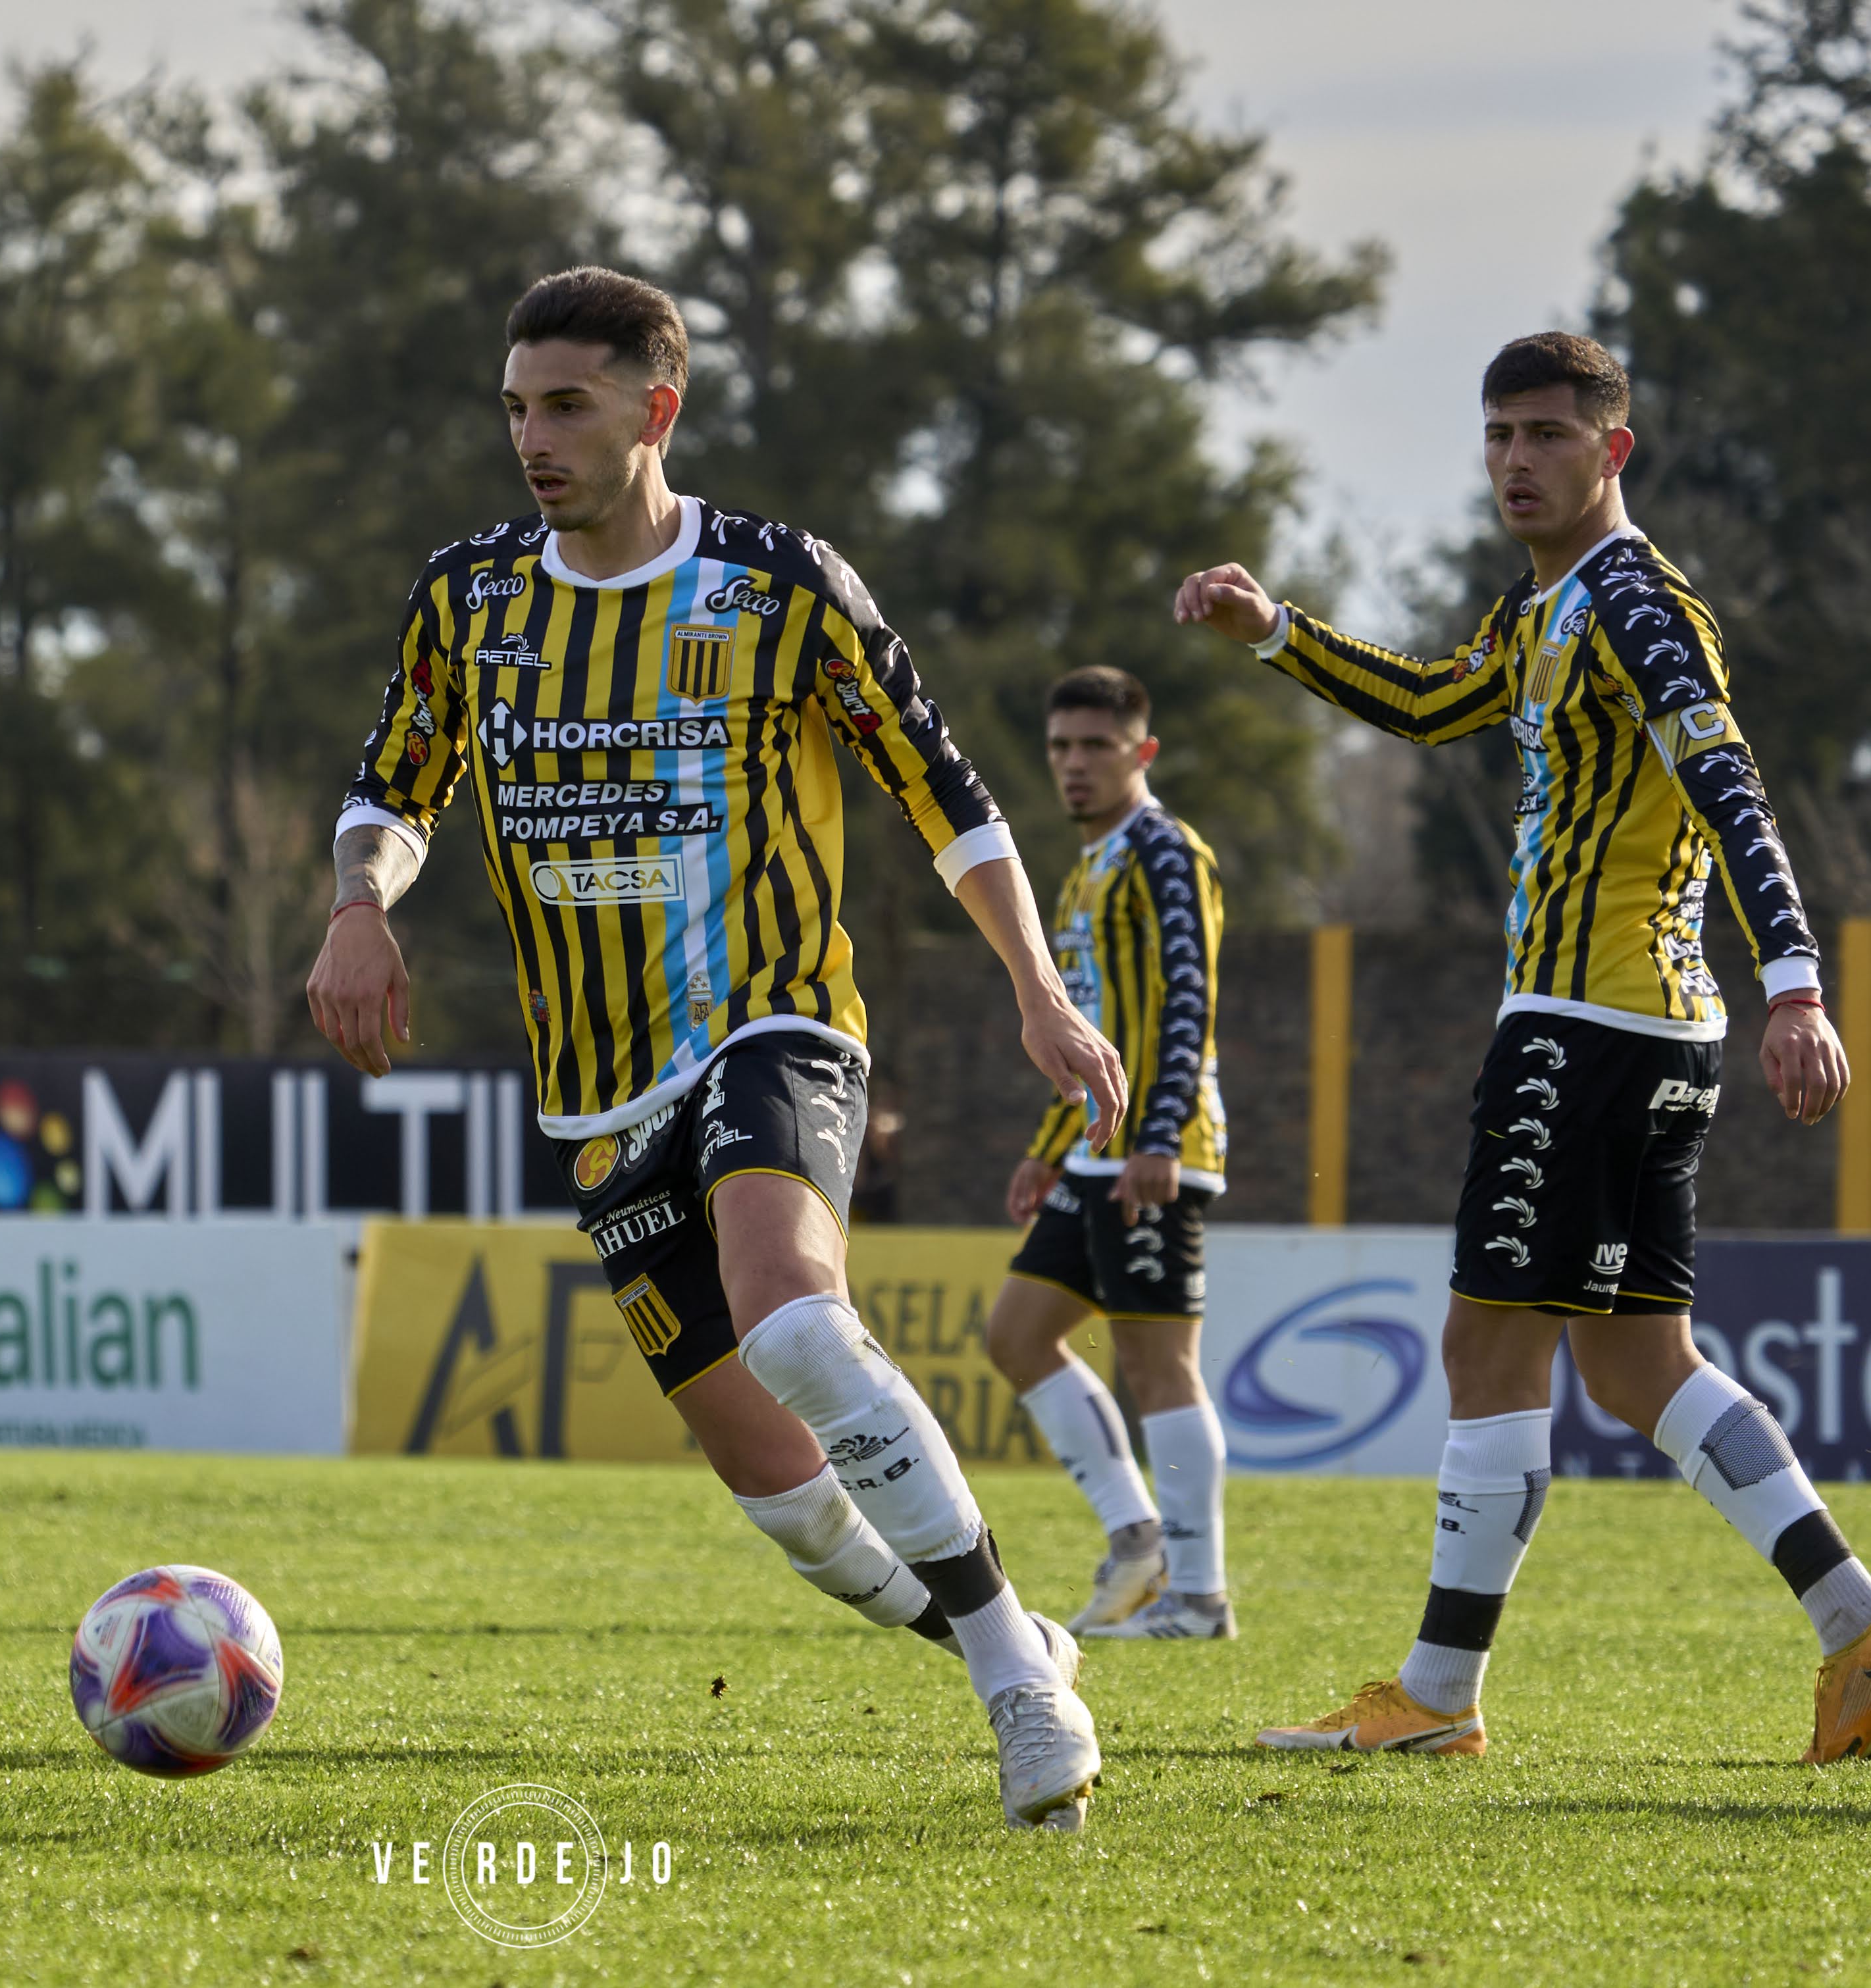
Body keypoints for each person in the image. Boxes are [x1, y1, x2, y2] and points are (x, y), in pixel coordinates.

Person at [307, 265, 1131, 1828]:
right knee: (782, 1498)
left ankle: (1019, 1701)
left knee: (800, 1328)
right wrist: (359, 905)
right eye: (514, 407)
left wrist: (1035, 983)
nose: (531, 438)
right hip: (594, 1088)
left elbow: (943, 790)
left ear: (655, 411)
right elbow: (394, 783)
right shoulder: (469, 594)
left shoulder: (779, 582)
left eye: (566, 405)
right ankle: (1014, 1631)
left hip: (774, 1013)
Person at [1173, 332, 1871, 1764]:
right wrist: (1276, 631)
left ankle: (1433, 1694)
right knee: (1633, 1366)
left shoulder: (1627, 599)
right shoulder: (1539, 605)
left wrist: (1794, 983)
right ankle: (1854, 1626)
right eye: (1497, 435)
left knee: (1484, 1337)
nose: (1513, 461)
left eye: (1546, 435)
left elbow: (1723, 775)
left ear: (1610, 450)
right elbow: (1434, 703)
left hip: (1584, 1024)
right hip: (1642, 1026)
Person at [984, 667, 1233, 1641]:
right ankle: (1137, 1540)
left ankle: (1198, 1595)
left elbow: (1186, 1002)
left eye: (1094, 746)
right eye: (1059, 748)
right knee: (1015, 1334)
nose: (1073, 765)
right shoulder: (1085, 863)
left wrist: (1160, 1137)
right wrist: (1049, 1145)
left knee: (1157, 1365)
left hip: (1155, 1153)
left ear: (1142, 751)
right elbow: (1084, 1023)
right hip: (1092, 1153)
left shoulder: (1167, 853)